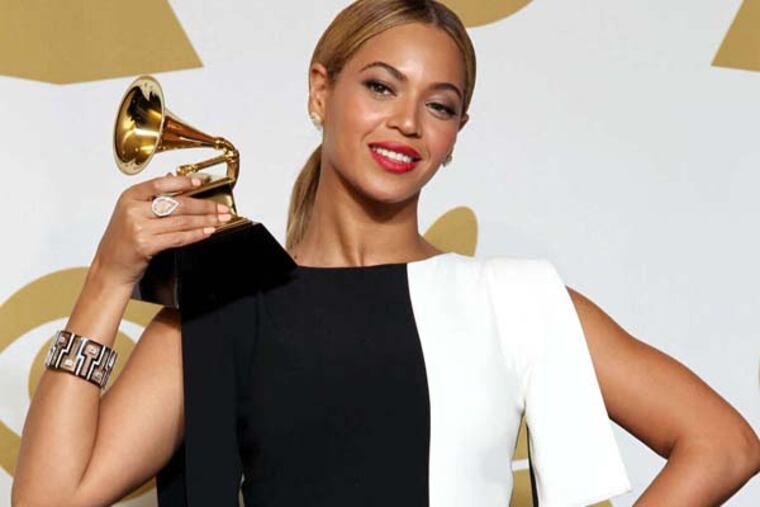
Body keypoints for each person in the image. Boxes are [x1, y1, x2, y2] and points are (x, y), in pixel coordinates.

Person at [12, 0, 760, 505]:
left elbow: (721, 444)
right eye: (380, 86)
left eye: (438, 105)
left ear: (454, 135)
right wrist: (109, 280)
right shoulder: (228, 306)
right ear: (320, 92)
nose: (406, 122)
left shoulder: (511, 299)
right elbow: (49, 498)